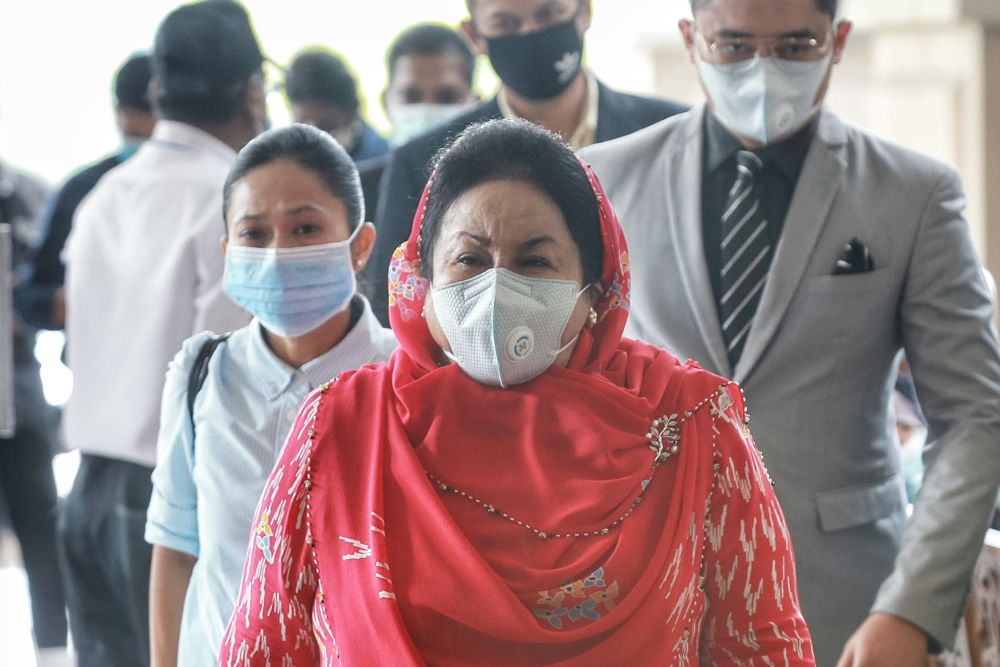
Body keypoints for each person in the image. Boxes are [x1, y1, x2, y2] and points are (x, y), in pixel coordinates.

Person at [220, 119, 815, 665]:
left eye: (534, 262)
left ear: (594, 290)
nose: (496, 287)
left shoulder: (691, 426)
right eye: (469, 260)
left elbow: (763, 646)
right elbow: (264, 645)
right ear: (422, 282)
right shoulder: (342, 428)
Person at [579, 0, 1000, 664]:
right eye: (735, 46)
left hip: (848, 596)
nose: (763, 70)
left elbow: (975, 415)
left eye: (796, 46)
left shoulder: (912, 193)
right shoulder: (605, 179)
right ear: (691, 40)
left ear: (839, 40)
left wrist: (912, 607)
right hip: (643, 587)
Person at [145, 123, 397, 667]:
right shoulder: (202, 374)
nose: (279, 251)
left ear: (360, 246)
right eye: (255, 234)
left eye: (305, 228)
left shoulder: (407, 379)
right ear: (227, 248)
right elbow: (176, 548)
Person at [59, 2, 265, 665]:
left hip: (85, 495)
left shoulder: (103, 193)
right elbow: (230, 378)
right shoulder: (232, 203)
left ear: (157, 91)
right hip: (167, 503)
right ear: (255, 93)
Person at [368, 0, 689, 326]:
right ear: (474, 35)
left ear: (584, 11)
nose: (531, 33)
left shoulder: (670, 132)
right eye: (506, 24)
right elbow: (397, 307)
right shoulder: (423, 159)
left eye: (548, 14)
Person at [16, 52, 155, 331]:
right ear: (120, 117)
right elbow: (32, 298)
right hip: (100, 356)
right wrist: (94, 298)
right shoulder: (86, 189)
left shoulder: (214, 184)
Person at [1, 153, 69, 663]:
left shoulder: (26, 191)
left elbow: (50, 287)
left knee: (43, 537)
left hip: (18, 397)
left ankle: (51, 652)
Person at [357, 22, 478, 221]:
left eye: (446, 97)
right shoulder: (356, 200)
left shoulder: (499, 189)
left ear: (475, 105)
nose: (427, 109)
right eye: (411, 97)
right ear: (385, 103)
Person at [285, 49, 390, 163]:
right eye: (304, 128)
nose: (314, 138)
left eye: (325, 127)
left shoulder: (385, 160)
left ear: (351, 114)